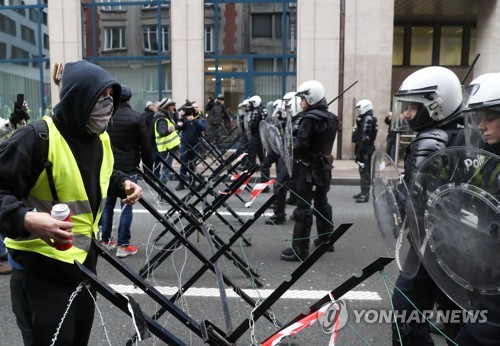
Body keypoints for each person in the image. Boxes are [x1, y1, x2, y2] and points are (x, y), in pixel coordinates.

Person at [0, 60, 143, 345]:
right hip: (41, 271)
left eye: (110, 100)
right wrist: (26, 219)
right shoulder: (35, 137)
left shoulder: (99, 138)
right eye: (100, 99)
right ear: (79, 98)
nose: (107, 108)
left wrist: (121, 183)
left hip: (83, 267)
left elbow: (99, 172)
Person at [389, 66, 465, 345]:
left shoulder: (431, 141)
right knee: (458, 314)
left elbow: (415, 198)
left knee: (406, 307)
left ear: (435, 105)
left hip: (431, 243)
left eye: (412, 107)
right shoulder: (464, 133)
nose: (407, 114)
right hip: (461, 246)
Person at [447, 72, 500, 345]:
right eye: (479, 118)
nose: (481, 126)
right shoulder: (489, 159)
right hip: (486, 269)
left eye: (490, 118)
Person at [280, 80, 338, 262]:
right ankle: (326, 240)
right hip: (324, 169)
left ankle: (300, 249)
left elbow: (301, 146)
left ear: (311, 98)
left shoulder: (309, 119)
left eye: (303, 99)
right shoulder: (331, 118)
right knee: (322, 203)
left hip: (307, 170)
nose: (301, 103)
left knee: (303, 209)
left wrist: (287, 145)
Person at [100, 85, 152, 257]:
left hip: (109, 167)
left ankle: (105, 240)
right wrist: (149, 166)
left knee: (107, 204)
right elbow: (145, 146)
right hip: (129, 166)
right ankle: (123, 245)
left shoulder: (106, 116)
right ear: (129, 99)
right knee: (126, 205)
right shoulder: (136, 117)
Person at [174, 101, 208, 190]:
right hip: (185, 145)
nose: (195, 109)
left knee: (192, 165)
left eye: (197, 107)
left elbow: (203, 128)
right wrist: (179, 122)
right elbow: (177, 128)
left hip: (195, 145)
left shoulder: (201, 119)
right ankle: (181, 183)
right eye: (193, 107)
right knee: (183, 165)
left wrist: (194, 120)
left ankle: (192, 183)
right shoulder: (184, 118)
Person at [352, 99, 378, 203]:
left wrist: (359, 151)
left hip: (365, 150)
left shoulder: (367, 119)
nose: (359, 111)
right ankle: (363, 191)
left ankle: (365, 193)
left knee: (365, 172)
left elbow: (365, 137)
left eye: (360, 109)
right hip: (365, 149)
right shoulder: (366, 118)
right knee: (363, 171)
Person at [154, 97, 181, 190]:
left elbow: (175, 121)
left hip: (170, 148)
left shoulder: (167, 116)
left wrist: (175, 112)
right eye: (172, 105)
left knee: (166, 170)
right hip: (166, 149)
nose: (174, 107)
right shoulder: (162, 119)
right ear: (167, 107)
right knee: (165, 171)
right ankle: (161, 194)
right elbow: (162, 132)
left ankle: (161, 194)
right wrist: (171, 129)